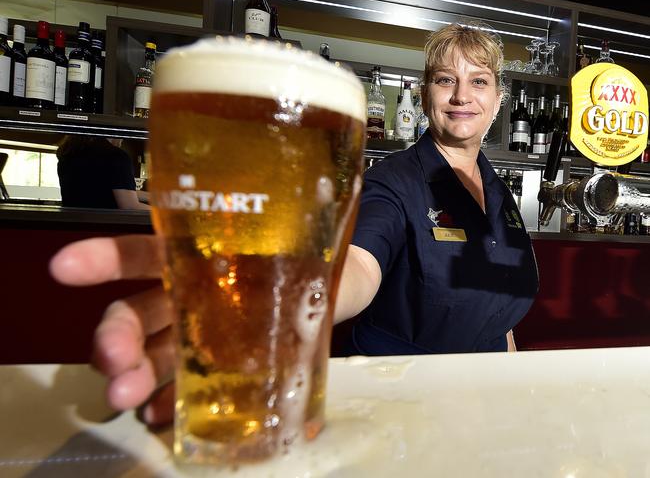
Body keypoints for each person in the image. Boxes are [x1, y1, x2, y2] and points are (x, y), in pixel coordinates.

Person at [49, 23, 538, 425]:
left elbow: (501, 306)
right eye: (444, 79)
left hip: (486, 390)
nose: (461, 96)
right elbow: (359, 268)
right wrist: (282, 304)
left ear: (498, 101)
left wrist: (512, 373)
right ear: (425, 91)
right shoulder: (393, 181)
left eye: (479, 81)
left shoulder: (499, 191)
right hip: (404, 391)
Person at [57, 135, 150, 210]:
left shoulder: (69, 155)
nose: (123, 139)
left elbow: (106, 191)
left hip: (72, 226)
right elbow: (130, 206)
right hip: (106, 227)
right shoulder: (116, 156)